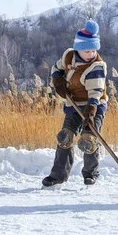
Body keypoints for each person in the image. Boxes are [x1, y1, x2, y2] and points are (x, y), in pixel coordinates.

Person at [42, 20, 108, 188]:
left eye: (94, 50)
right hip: (74, 104)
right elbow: (56, 69)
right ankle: (58, 176)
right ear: (78, 48)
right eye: (87, 50)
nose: (91, 53)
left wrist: (91, 112)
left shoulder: (96, 67)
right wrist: (58, 81)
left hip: (94, 105)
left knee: (88, 138)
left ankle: (91, 173)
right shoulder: (68, 56)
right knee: (65, 137)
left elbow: (95, 92)